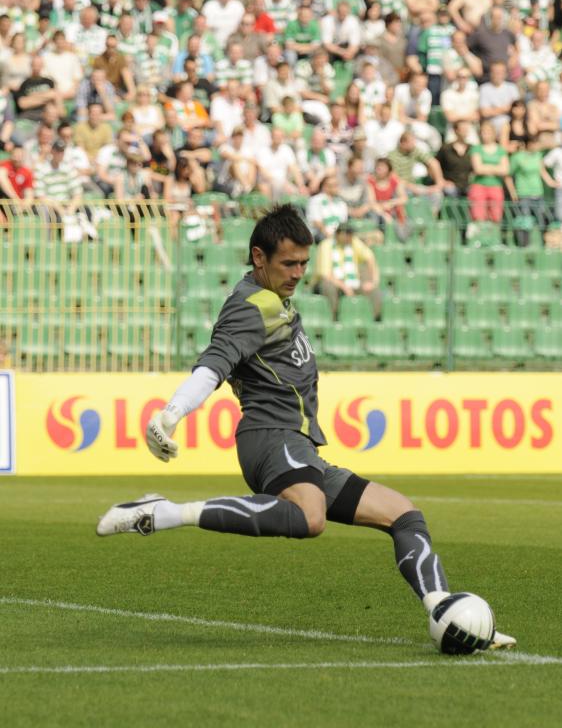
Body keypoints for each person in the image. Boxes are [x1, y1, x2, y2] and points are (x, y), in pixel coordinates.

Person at [96, 204, 515, 651]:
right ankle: (165, 512)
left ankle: (444, 610)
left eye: (303, 263)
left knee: (403, 514)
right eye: (288, 263)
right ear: (259, 257)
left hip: (298, 445)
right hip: (270, 437)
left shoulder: (272, 299)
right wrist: (172, 413)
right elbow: (215, 363)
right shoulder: (249, 306)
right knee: (310, 518)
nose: (298, 273)